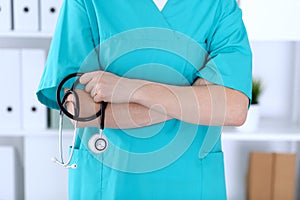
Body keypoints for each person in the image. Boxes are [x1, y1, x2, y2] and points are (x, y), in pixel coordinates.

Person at [37, 0, 252, 199]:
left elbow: (234, 108)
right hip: (112, 178)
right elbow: (78, 107)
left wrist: (129, 89)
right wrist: (191, 99)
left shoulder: (217, 4)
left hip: (191, 177)